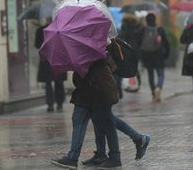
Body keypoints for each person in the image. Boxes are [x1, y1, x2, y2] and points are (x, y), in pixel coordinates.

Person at [51, 40, 150, 170]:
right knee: (97, 120)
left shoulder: (93, 40)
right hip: (90, 89)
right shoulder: (84, 40)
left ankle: (116, 154)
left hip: (99, 89)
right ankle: (101, 154)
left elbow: (90, 64)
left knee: (104, 120)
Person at [34, 18, 67, 112]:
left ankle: (50, 104)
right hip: (57, 58)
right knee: (58, 81)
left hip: (47, 58)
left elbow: (37, 45)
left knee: (50, 82)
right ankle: (59, 103)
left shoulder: (41, 30)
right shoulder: (60, 29)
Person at [138, 13, 170, 102]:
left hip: (147, 56)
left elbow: (138, 43)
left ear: (147, 20)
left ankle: (153, 93)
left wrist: (140, 56)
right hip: (159, 55)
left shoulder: (143, 30)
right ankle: (158, 88)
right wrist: (166, 54)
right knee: (161, 74)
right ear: (155, 19)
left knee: (150, 75)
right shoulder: (160, 29)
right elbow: (166, 43)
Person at [119, 14, 143, 93]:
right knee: (136, 67)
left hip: (125, 49)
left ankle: (125, 85)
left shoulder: (124, 26)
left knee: (124, 67)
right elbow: (139, 39)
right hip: (135, 50)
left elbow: (121, 37)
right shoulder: (136, 27)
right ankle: (137, 84)